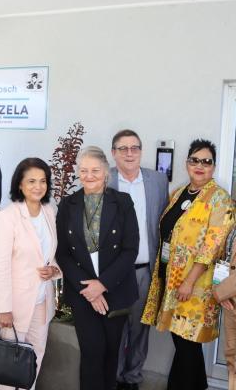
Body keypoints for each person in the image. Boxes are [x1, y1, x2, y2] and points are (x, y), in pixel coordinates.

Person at [142, 139, 235, 390]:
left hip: (196, 285)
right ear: (187, 163)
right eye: (195, 160)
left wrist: (189, 281)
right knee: (182, 341)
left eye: (207, 161)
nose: (200, 166)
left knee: (187, 342)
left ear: (213, 167)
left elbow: (211, 247)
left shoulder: (220, 199)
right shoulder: (179, 193)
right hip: (172, 278)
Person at [56, 146, 139, 390]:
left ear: (105, 173)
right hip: (83, 294)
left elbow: (130, 250)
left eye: (94, 170)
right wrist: (90, 289)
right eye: (83, 171)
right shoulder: (67, 204)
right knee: (92, 352)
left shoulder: (122, 202)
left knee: (111, 353)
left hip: (115, 290)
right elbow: (63, 252)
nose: (88, 175)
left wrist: (102, 285)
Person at [0, 157, 61, 390]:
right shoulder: (6, 217)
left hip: (42, 302)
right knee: (9, 366)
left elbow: (51, 254)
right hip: (15, 305)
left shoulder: (50, 211)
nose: (38, 186)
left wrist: (54, 270)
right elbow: (0, 266)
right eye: (31, 181)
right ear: (19, 184)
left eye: (42, 181)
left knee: (34, 361)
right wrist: (4, 308)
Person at [109, 129, 168, 390]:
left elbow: (162, 225)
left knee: (139, 328)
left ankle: (131, 378)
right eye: (123, 148)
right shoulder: (104, 179)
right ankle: (113, 375)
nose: (129, 153)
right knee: (113, 327)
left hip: (145, 270)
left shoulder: (157, 181)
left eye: (134, 148)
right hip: (111, 272)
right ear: (114, 153)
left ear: (141, 151)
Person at [213, 227, 236, 390]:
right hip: (230, 300)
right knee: (232, 358)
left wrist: (219, 292)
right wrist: (220, 289)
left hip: (228, 294)